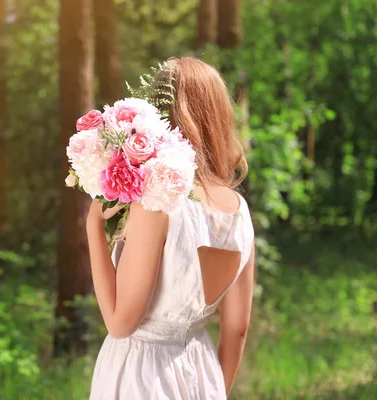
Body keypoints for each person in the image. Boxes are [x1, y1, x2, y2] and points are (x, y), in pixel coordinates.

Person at [87, 57, 255, 399]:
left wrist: (92, 226)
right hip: (201, 367)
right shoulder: (239, 211)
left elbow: (120, 324)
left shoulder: (158, 202)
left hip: (141, 377)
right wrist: (212, 390)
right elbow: (237, 329)